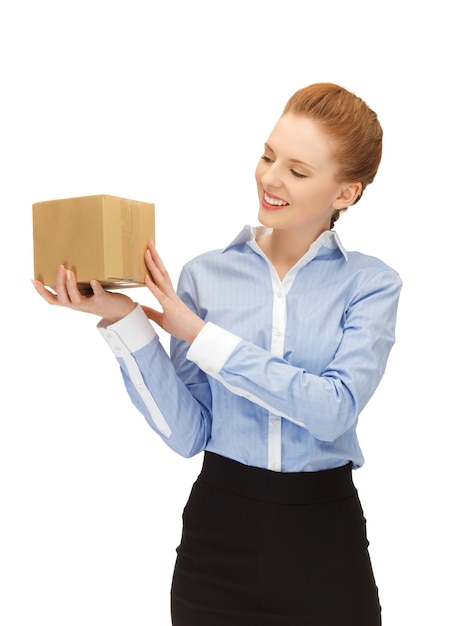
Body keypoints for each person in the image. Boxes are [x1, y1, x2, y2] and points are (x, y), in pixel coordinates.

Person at [33, 82, 402, 625]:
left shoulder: (371, 284)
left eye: (298, 171)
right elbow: (187, 434)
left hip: (326, 543)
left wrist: (202, 336)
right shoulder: (205, 275)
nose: (271, 179)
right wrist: (122, 319)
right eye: (268, 155)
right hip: (218, 533)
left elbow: (334, 410)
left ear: (345, 193)